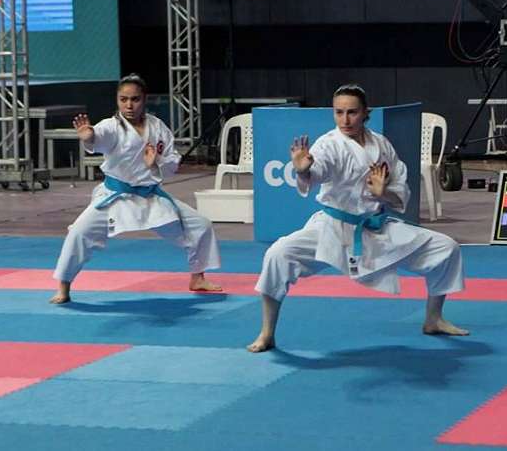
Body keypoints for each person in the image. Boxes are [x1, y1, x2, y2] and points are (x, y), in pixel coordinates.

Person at [247, 84, 468, 353]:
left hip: (374, 228)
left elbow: (399, 190)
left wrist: (383, 193)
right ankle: (267, 332)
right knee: (277, 254)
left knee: (446, 247)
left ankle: (434, 319)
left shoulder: (382, 145)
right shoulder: (329, 143)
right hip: (332, 227)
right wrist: (303, 171)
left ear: (365, 113)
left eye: (352, 112)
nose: (345, 120)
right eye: (338, 112)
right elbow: (318, 170)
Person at [50, 74, 222, 304]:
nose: (129, 105)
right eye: (123, 99)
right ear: (117, 100)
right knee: (79, 232)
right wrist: (89, 138)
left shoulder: (157, 127)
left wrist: (156, 162)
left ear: (144, 99)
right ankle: (63, 286)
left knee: (200, 225)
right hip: (116, 197)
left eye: (135, 99)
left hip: (151, 197)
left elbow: (173, 163)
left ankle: (198, 277)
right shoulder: (111, 126)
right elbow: (98, 137)